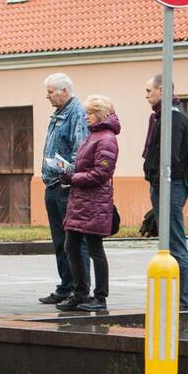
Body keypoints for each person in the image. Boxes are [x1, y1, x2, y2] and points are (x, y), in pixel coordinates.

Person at [58, 95, 121, 313]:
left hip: (95, 204)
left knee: (95, 249)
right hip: (81, 202)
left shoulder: (106, 139)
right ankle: (79, 292)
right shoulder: (93, 136)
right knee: (71, 246)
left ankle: (100, 297)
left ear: (100, 114)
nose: (86, 117)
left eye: (89, 114)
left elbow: (101, 173)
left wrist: (72, 178)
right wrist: (69, 172)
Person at [39, 74, 90, 306]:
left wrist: (66, 176)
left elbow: (79, 151)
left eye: (51, 91)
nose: (47, 96)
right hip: (52, 184)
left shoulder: (76, 113)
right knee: (60, 241)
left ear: (64, 91)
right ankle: (65, 285)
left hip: (65, 186)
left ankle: (80, 289)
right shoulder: (59, 114)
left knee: (74, 241)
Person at [143, 74, 188, 311]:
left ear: (161, 90)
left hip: (170, 186)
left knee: (174, 243)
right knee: (167, 244)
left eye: (148, 91)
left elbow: (169, 159)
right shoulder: (162, 116)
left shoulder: (172, 118)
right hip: (162, 186)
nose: (146, 95)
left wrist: (159, 187)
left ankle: (181, 301)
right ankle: (171, 297)